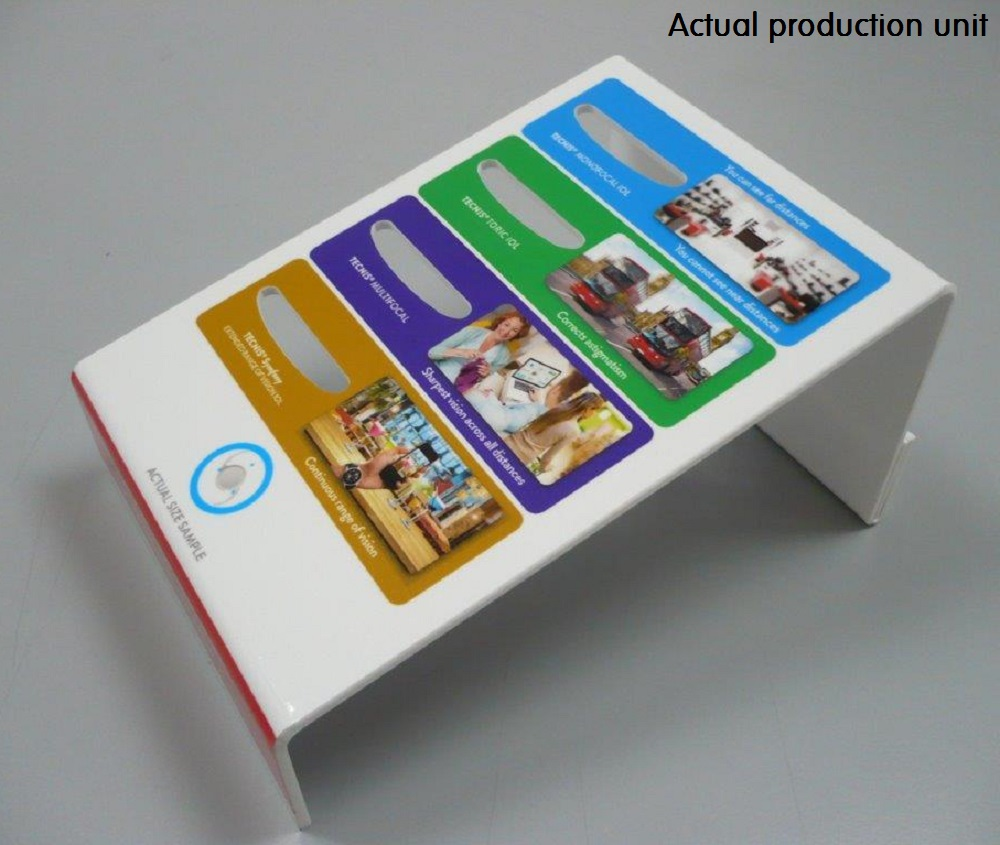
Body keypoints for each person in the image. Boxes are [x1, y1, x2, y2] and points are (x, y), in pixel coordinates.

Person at [467, 369, 589, 435]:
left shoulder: (533, 410)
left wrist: (490, 397)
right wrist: (536, 402)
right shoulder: (549, 416)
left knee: (476, 390)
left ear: (556, 390)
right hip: (501, 420)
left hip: (494, 418)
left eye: (554, 385)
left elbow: (499, 418)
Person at [505, 391, 604, 468]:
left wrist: (537, 401)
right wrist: (545, 468)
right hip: (520, 457)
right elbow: (546, 458)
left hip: (508, 441)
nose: (594, 414)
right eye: (595, 411)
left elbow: (542, 414)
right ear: (588, 409)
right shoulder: (573, 431)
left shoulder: (560, 407)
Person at [428, 310, 531, 383]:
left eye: (514, 330)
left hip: (459, 386)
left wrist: (485, 374)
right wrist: (461, 352)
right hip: (436, 373)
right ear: (500, 323)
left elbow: (481, 379)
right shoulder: (471, 332)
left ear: (517, 335)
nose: (506, 331)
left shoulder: (504, 356)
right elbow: (432, 352)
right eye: (506, 325)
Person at [326, 444, 410, 491]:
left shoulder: (376, 469)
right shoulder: (376, 473)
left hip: (345, 477)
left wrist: (397, 450)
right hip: (348, 479)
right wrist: (396, 450)